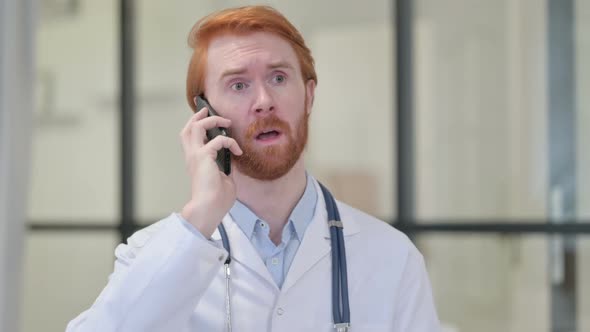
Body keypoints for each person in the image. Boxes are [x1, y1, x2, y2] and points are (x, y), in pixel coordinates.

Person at [66, 5, 441, 332]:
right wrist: (199, 218)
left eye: (278, 78)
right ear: (205, 114)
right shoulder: (153, 253)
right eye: (239, 85)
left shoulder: (392, 258)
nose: (264, 101)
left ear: (308, 95)